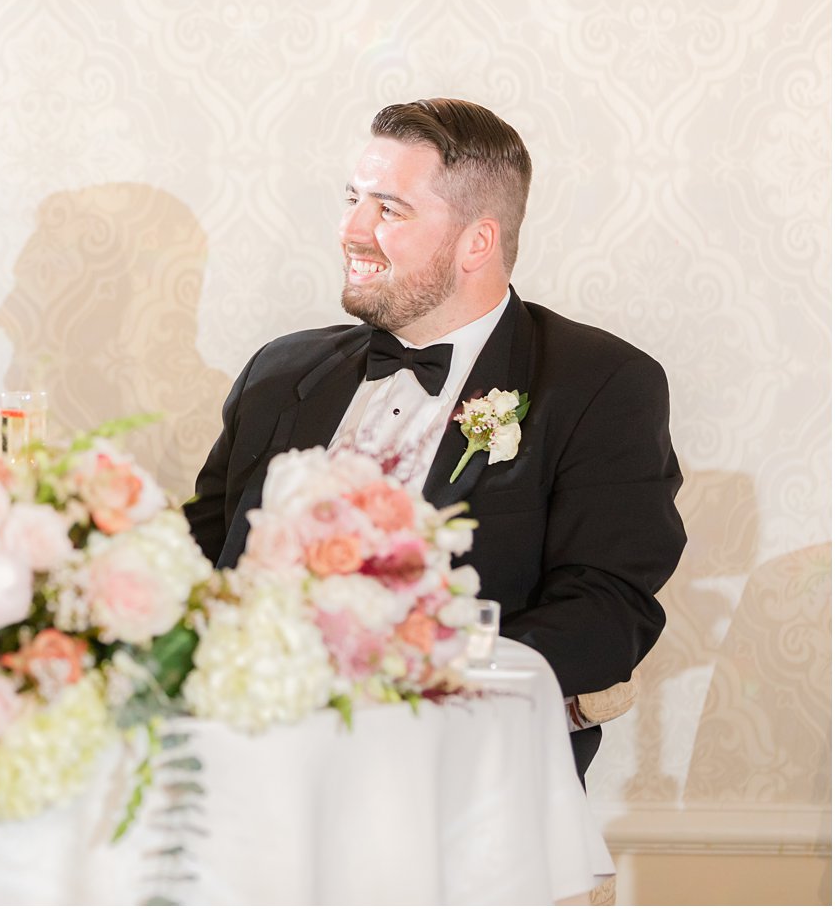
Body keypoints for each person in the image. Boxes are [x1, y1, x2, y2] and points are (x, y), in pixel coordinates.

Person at [183, 98, 686, 778]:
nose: (352, 229)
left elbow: (607, 612)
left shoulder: (599, 384)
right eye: (353, 199)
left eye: (389, 210)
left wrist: (417, 667)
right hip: (240, 768)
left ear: (477, 241)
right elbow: (197, 556)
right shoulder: (281, 371)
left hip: (458, 778)